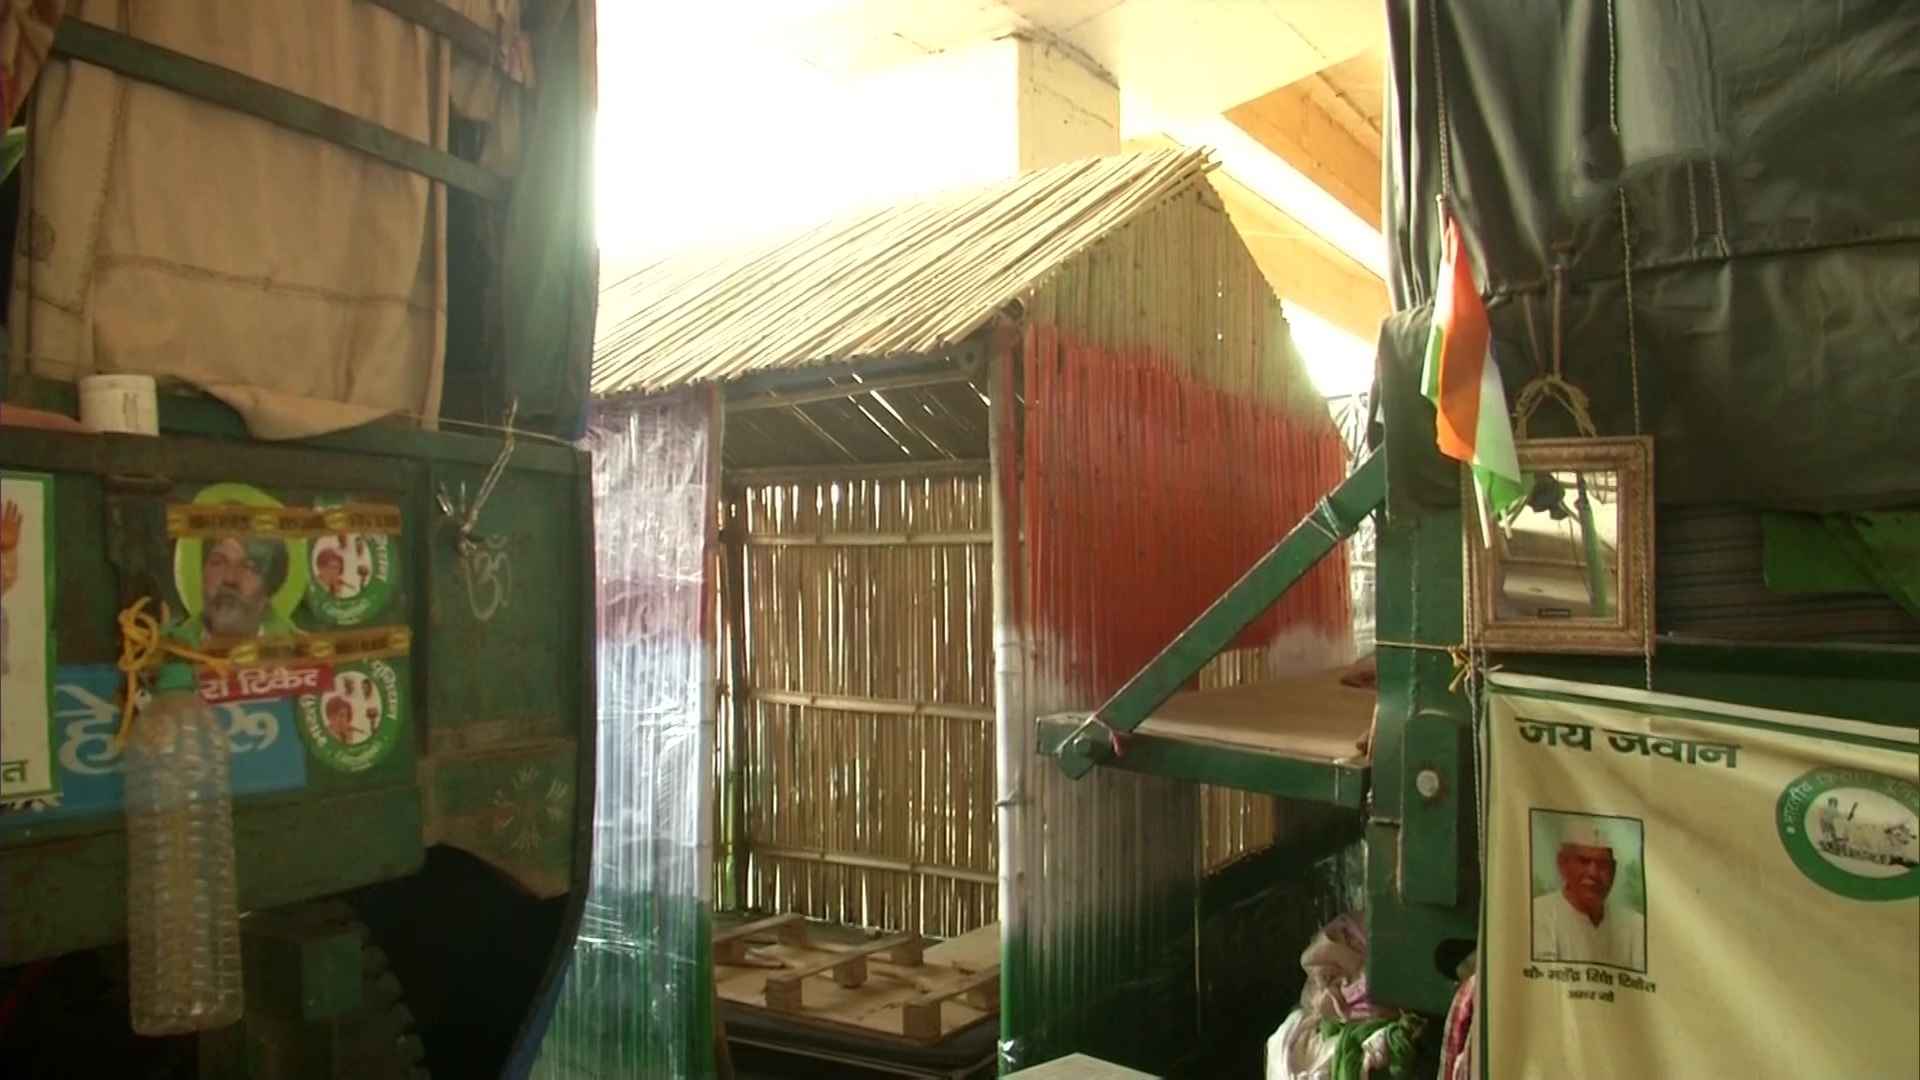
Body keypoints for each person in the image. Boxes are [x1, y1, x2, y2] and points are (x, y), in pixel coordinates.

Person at [1531, 819, 1646, 970]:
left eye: (1602, 865)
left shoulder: (1635, 926)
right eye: (1584, 861)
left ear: (1614, 870)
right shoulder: (1539, 915)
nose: (1593, 873)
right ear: (1562, 864)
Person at [183, 537, 298, 641]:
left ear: (269, 589)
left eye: (248, 567)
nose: (230, 578)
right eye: (218, 562)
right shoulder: (172, 651)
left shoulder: (305, 658)